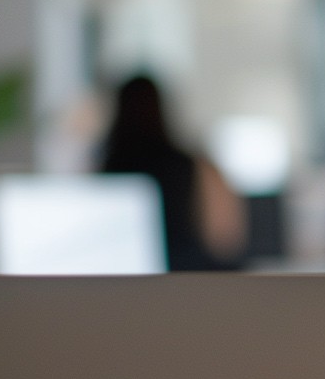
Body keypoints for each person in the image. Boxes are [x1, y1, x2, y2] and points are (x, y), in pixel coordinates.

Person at [99, 74, 247, 271]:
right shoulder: (193, 166)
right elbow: (226, 239)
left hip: (126, 287)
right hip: (192, 283)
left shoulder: (106, 171)